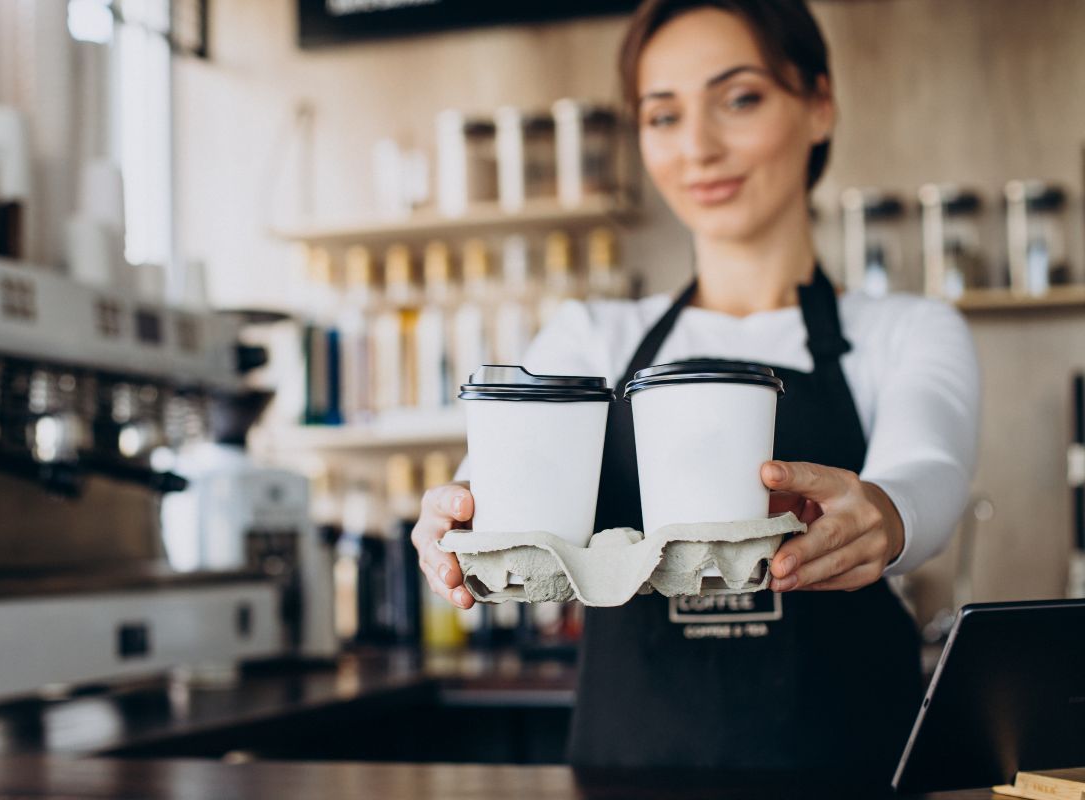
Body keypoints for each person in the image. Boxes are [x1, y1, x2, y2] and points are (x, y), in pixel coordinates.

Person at [410, 0, 981, 785]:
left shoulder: (906, 330)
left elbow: (929, 470)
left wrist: (883, 513)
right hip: (625, 772)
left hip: (850, 770)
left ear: (819, 104)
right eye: (663, 116)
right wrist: (458, 514)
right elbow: (498, 469)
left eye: (739, 99)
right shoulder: (592, 337)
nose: (698, 148)